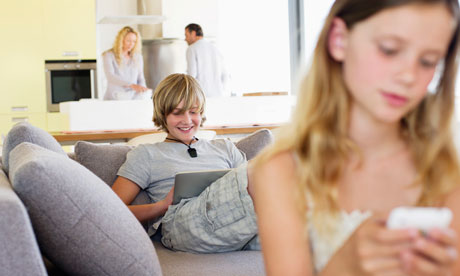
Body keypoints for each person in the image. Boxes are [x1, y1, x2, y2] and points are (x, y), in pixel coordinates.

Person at [251, 0, 460, 275]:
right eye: (389, 49)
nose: (408, 75)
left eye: (427, 61)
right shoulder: (280, 171)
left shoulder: (444, 170)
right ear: (339, 39)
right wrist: (346, 263)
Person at [112, 73, 259, 253]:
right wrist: (161, 206)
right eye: (177, 112)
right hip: (181, 225)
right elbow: (110, 210)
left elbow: (250, 188)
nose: (187, 120)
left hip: (234, 223)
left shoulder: (225, 148)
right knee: (260, 170)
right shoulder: (146, 154)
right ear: (162, 114)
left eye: (193, 111)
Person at [102, 26, 151, 100]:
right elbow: (110, 76)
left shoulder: (137, 57)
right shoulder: (108, 55)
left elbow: (140, 78)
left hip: (131, 98)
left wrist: (143, 90)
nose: (131, 44)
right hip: (113, 98)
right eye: (128, 40)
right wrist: (131, 85)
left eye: (134, 41)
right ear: (121, 40)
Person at [185, 23, 230, 97]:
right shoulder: (215, 48)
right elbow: (225, 74)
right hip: (219, 95)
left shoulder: (192, 49)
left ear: (193, 33)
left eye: (186, 35)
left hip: (201, 95)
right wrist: (223, 91)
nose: (185, 39)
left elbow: (191, 76)